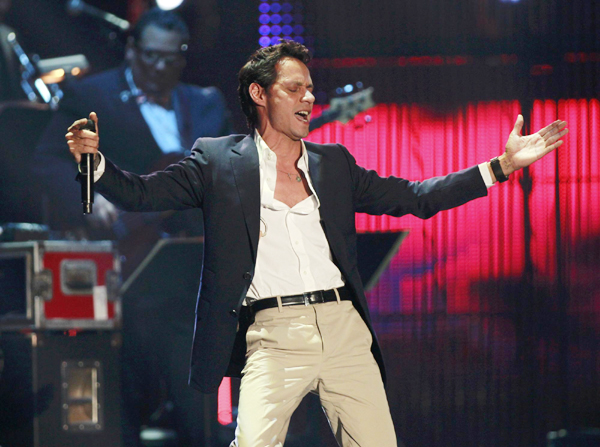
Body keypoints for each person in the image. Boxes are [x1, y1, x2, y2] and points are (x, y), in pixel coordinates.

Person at [65, 40, 568, 447]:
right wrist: (96, 163)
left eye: (310, 89)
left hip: (344, 329)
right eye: (294, 89)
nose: (308, 98)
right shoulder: (217, 161)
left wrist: (501, 167)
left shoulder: (334, 165)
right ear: (259, 94)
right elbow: (142, 193)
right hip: (272, 335)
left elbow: (415, 197)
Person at [37, 8, 233, 447]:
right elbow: (49, 160)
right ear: (131, 50)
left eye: (171, 57)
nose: (160, 66)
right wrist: (91, 199)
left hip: (187, 280)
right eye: (150, 56)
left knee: (199, 415)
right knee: (122, 406)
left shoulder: (204, 103)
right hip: (124, 279)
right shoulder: (93, 96)